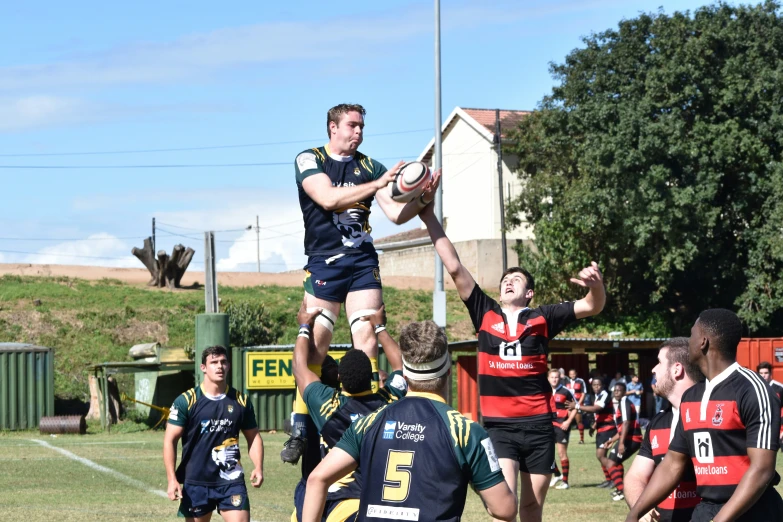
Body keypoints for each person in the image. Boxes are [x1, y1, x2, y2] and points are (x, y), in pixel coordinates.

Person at [419, 199, 604, 522]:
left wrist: (597, 286)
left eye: (516, 279)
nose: (508, 281)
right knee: (504, 510)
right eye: (505, 279)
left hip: (538, 427)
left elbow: (592, 306)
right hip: (499, 427)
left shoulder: (543, 318)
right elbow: (454, 265)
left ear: (529, 293)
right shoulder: (484, 312)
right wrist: (427, 215)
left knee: (532, 508)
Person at [285, 103, 441, 464]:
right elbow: (326, 198)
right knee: (316, 345)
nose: (358, 133)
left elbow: (395, 213)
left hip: (362, 260)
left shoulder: (371, 166)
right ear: (332, 127)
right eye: (352, 126)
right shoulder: (309, 159)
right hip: (324, 261)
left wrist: (422, 198)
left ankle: (368, 417)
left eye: (361, 127)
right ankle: (300, 427)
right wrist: (377, 185)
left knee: (367, 337)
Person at [302, 320, 518, 522]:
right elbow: (504, 509)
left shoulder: (369, 423)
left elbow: (316, 480)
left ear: (405, 375)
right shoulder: (465, 430)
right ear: (448, 372)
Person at [626, 309, 783, 522]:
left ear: (703, 342)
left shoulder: (752, 389)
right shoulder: (692, 397)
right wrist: (635, 513)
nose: (688, 341)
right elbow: (673, 463)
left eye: (692, 335)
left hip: (753, 510)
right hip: (706, 510)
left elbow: (762, 469)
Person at [292, 302, 407, 522]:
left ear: (339, 379)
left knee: (303, 492)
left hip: (339, 504)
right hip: (380, 501)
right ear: (373, 378)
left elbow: (299, 367)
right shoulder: (388, 402)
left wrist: (304, 327)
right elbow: (400, 366)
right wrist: (380, 328)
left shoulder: (329, 405)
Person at [163, 346, 264, 522]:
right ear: (203, 368)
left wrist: (258, 466)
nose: (220, 367)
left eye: (223, 362)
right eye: (214, 362)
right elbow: (170, 440)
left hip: (231, 479)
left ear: (229, 366)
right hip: (196, 481)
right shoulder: (186, 401)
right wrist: (172, 479)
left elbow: (253, 436)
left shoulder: (241, 401)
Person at [624, 338, 703, 522]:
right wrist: (641, 508)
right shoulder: (658, 422)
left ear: (677, 369)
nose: (653, 369)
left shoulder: (708, 415)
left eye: (659, 362)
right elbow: (635, 477)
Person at [568, 378, 617, 491]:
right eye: (594, 385)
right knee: (600, 456)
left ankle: (614, 479)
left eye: (598, 385)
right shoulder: (598, 395)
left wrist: (577, 406)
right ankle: (609, 479)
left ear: (603, 385)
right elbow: (600, 414)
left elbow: (597, 408)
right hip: (601, 428)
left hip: (608, 428)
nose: (596, 387)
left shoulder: (605, 395)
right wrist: (594, 426)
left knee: (601, 455)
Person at [601, 382, 643, 502]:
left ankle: (622, 491)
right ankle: (620, 490)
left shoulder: (624, 402)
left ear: (624, 392)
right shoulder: (622, 403)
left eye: (619, 390)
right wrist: (612, 440)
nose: (616, 392)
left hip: (632, 439)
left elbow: (626, 423)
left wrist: (621, 443)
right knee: (616, 462)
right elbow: (621, 428)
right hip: (630, 438)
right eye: (615, 391)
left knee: (610, 463)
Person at [548, 369, 577, 490]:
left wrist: (568, 421)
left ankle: (565, 482)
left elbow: (575, 408)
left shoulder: (566, 391)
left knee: (561, 454)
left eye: (556, 377)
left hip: (561, 426)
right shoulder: (545, 391)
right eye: (552, 377)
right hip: (549, 425)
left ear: (560, 378)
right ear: (548, 378)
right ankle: (557, 474)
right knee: (547, 453)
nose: (554, 379)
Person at [756, 361, 783, 449]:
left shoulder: (779, 388)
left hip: (776, 426)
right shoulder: (754, 388)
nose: (763, 375)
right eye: (761, 373)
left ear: (771, 373)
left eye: (766, 373)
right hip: (760, 426)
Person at [565, 368, 588, 444]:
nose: (572, 375)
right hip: (569, 405)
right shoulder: (566, 381)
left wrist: (579, 403)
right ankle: (565, 439)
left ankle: (582, 439)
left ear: (576, 373)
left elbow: (583, 393)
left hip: (578, 404)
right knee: (568, 421)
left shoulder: (581, 381)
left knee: (579, 421)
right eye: (571, 374)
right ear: (569, 374)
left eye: (573, 373)